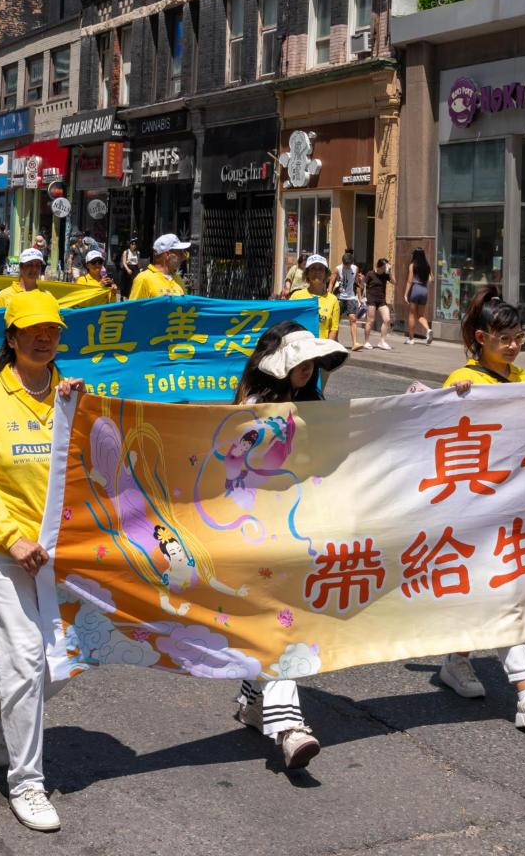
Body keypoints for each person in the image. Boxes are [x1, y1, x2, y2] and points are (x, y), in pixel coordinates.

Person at [0, 289, 85, 833]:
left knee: (65, 658)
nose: (44, 338)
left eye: (52, 330)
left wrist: (85, 412)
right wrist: (12, 539)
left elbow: (96, 465)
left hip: (60, 554)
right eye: (33, 331)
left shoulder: (72, 396)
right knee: (26, 658)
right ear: (11, 338)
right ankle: (27, 783)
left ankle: (13, 725)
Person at [427, 290, 525, 730]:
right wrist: (453, 400)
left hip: (519, 504)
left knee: (496, 589)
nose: (513, 346)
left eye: (518, 337)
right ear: (481, 338)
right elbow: (437, 434)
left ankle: (456, 660)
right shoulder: (462, 378)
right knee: (504, 590)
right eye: (504, 338)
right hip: (478, 507)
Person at [228, 321, 349, 769]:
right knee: (283, 624)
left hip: (304, 534)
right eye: (299, 361)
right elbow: (233, 463)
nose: (308, 368)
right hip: (257, 535)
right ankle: (290, 727)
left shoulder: (316, 406)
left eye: (312, 361)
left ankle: (253, 702)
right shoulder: (253, 408)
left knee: (283, 623)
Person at [289, 253, 341, 338]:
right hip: (301, 345)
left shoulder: (333, 300)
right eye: (313, 268)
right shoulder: (296, 297)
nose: (317, 272)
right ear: (307, 273)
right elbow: (288, 323)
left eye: (320, 269)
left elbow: (333, 329)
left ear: (325, 274)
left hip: (323, 346)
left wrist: (328, 346)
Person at [129, 234, 190, 299]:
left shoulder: (178, 279)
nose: (184, 257)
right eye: (180, 253)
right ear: (168, 255)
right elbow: (134, 305)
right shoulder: (143, 279)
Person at [404, 246, 434, 345]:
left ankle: (411, 339)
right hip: (424, 290)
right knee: (421, 315)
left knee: (412, 314)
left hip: (415, 288)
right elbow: (432, 279)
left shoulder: (413, 265)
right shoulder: (427, 265)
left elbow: (409, 280)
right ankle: (428, 330)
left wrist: (406, 294)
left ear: (415, 255)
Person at [364, 257, 394, 349]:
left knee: (387, 319)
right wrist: (362, 297)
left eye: (386, 267)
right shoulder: (370, 274)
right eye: (385, 267)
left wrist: (390, 271)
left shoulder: (386, 274)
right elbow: (363, 285)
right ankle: (366, 342)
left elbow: (394, 282)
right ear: (380, 266)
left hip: (381, 300)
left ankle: (382, 341)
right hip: (371, 299)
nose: (386, 269)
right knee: (370, 321)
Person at [336, 251, 364, 349]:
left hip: (351, 297)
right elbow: (331, 282)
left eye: (348, 265)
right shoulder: (338, 269)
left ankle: (355, 343)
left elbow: (357, 283)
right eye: (345, 265)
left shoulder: (355, 268)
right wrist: (329, 296)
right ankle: (335, 340)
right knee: (336, 319)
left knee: (353, 318)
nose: (347, 267)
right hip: (340, 297)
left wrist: (359, 297)